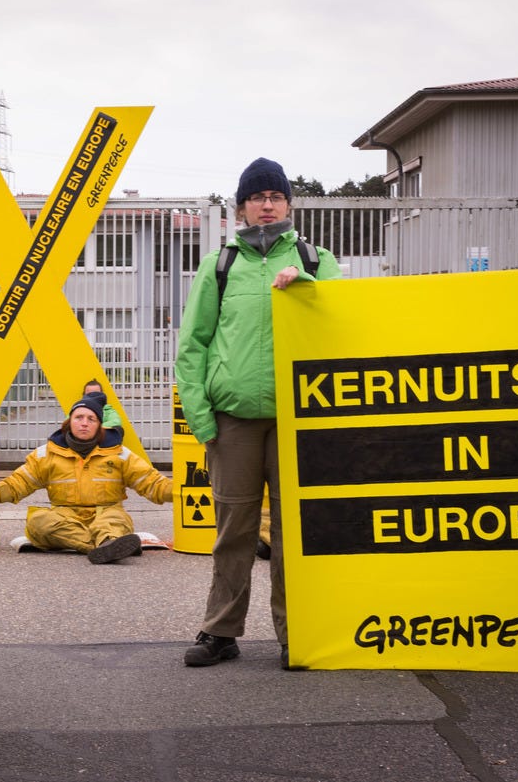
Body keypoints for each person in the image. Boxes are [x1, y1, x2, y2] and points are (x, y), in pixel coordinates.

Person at [174, 157, 342, 670]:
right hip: (234, 422)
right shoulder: (220, 265)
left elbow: (343, 322)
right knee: (234, 532)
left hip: (298, 422)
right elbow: (193, 346)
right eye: (256, 197)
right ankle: (220, 631)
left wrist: (308, 286)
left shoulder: (316, 259)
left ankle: (299, 634)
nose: (266, 205)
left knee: (296, 533)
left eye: (275, 196)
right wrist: (203, 421)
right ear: (241, 207)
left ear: (288, 204)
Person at [0, 392, 172, 563]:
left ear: (100, 425)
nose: (84, 423)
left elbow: (151, 483)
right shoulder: (46, 454)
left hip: (107, 513)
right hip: (64, 517)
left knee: (115, 522)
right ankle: (106, 546)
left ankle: (105, 542)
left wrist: (179, 491)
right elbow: (19, 483)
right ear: (69, 422)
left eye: (91, 419)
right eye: (79, 417)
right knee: (37, 522)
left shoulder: (119, 454)